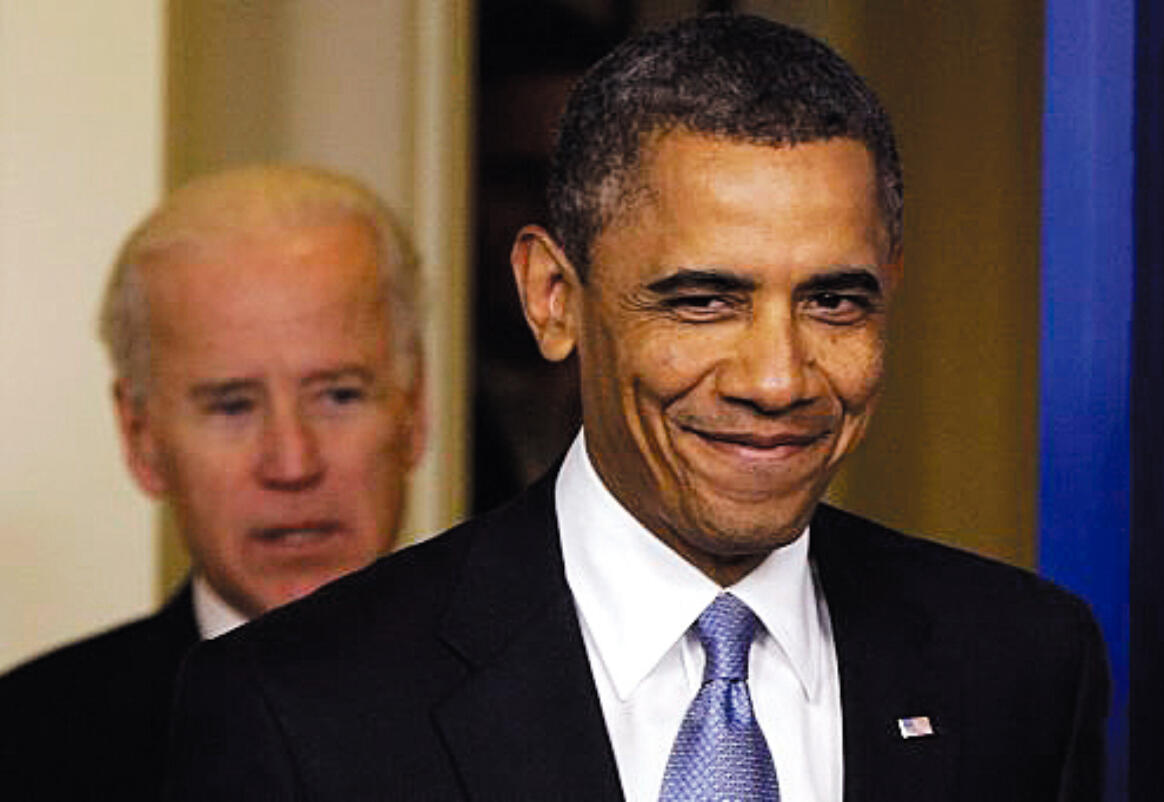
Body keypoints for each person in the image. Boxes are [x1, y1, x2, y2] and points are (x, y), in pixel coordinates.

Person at [165, 16, 1107, 801]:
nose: (776, 379)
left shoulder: (1019, 663)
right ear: (553, 297)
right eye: (703, 301)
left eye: (834, 301)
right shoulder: (301, 706)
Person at [0, 165, 425, 801]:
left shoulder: (555, 702)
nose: (292, 463)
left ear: (413, 411)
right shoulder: (24, 746)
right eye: (232, 406)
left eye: (338, 395)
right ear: (141, 437)